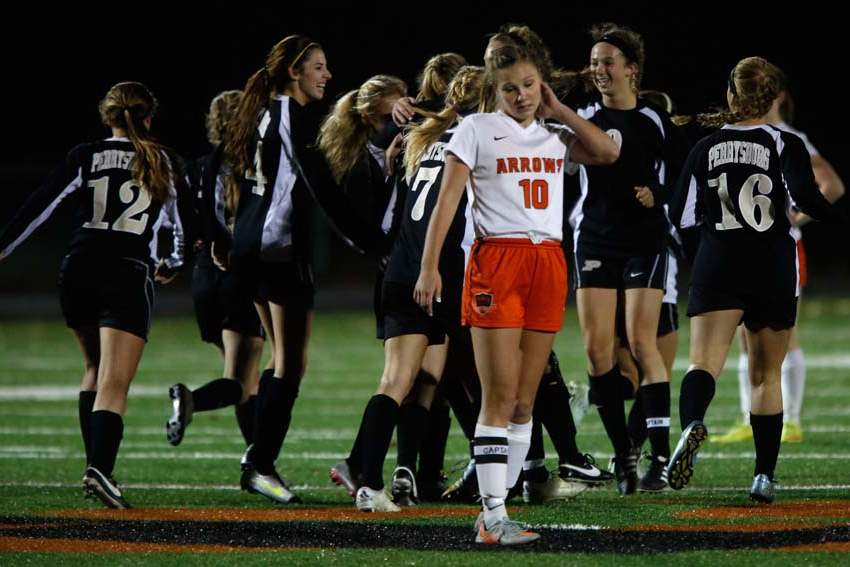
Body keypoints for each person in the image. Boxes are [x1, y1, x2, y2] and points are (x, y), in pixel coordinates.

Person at [415, 43, 618, 544]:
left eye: (529, 85)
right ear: (495, 90)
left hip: (548, 261)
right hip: (498, 262)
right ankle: (493, 515)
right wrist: (429, 267)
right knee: (500, 397)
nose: (522, 96)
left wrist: (559, 109)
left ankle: (497, 510)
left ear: (541, 84)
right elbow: (447, 201)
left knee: (525, 403)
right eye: (511, 88)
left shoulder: (555, 133)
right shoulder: (476, 129)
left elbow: (608, 152)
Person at [0, 81, 191, 508]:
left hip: (78, 268)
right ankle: (100, 470)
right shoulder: (161, 159)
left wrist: (4, 247)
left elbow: (40, 204)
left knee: (93, 368)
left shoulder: (85, 155)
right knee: (114, 381)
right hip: (126, 272)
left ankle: (96, 467)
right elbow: (182, 223)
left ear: (107, 116)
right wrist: (174, 262)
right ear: (148, 118)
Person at [666, 56, 845, 503]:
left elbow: (680, 216)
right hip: (772, 266)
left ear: (731, 95)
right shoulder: (785, 142)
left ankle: (692, 423)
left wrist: (701, 257)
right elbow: (808, 199)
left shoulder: (705, 146)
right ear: (770, 99)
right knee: (767, 376)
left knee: (702, 364)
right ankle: (763, 476)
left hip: (719, 264)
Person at [329, 66, 482, 512]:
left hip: (401, 270)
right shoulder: (474, 141)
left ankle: (400, 475)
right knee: (406, 381)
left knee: (423, 380)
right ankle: (371, 482)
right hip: (433, 274)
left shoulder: (424, 136)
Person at [214, 34, 338, 505]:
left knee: (277, 360)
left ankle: (257, 458)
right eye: (318, 67)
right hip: (278, 250)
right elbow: (321, 186)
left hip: (253, 248)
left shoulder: (261, 112)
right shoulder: (289, 115)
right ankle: (260, 465)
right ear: (294, 71)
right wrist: (370, 241)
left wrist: (224, 236)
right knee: (291, 363)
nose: (326, 75)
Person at [572, 23, 687, 495]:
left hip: (644, 240)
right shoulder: (583, 116)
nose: (599, 70)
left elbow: (683, 174)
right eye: (594, 62)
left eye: (608, 62)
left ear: (631, 69)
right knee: (598, 353)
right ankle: (623, 454)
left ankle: (659, 459)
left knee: (643, 344)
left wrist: (658, 192)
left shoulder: (654, 119)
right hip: (596, 241)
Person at [712, 75, 845, 445]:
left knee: (785, 335)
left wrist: (795, 218)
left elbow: (832, 185)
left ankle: (793, 420)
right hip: (745, 249)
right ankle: (747, 417)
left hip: (781, 249)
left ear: (778, 95)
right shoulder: (740, 134)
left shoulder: (790, 137)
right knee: (746, 336)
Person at [166, 90, 268, 451]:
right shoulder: (256, 166)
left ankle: (256, 461)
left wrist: (175, 258)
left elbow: (185, 221)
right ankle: (190, 400)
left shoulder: (198, 167)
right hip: (238, 272)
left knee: (245, 381)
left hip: (204, 276)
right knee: (241, 381)